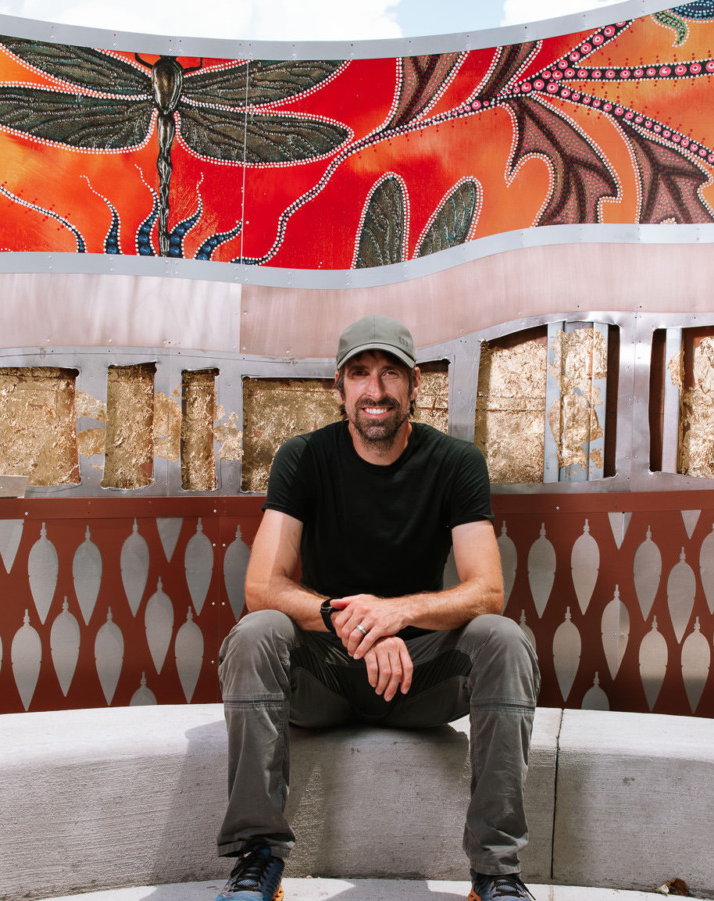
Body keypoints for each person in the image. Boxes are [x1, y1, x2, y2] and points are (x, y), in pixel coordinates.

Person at [214, 315, 540, 901]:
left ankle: (496, 873)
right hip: (326, 673)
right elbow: (263, 587)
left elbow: (487, 590)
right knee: (256, 631)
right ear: (338, 389)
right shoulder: (304, 458)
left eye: (390, 373)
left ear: (414, 385)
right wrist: (357, 622)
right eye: (360, 373)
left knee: (505, 638)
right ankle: (257, 859)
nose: (375, 389)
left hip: (419, 675)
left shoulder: (456, 463)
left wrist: (397, 614)